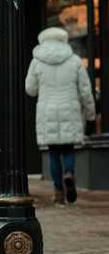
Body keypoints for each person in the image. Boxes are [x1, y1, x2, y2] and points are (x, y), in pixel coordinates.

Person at [25, 27, 95, 204]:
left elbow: (30, 90)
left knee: (54, 153)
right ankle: (69, 173)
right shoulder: (74, 60)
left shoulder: (37, 62)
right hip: (69, 109)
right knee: (68, 148)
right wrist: (90, 115)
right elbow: (85, 91)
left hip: (47, 111)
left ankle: (58, 191)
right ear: (63, 40)